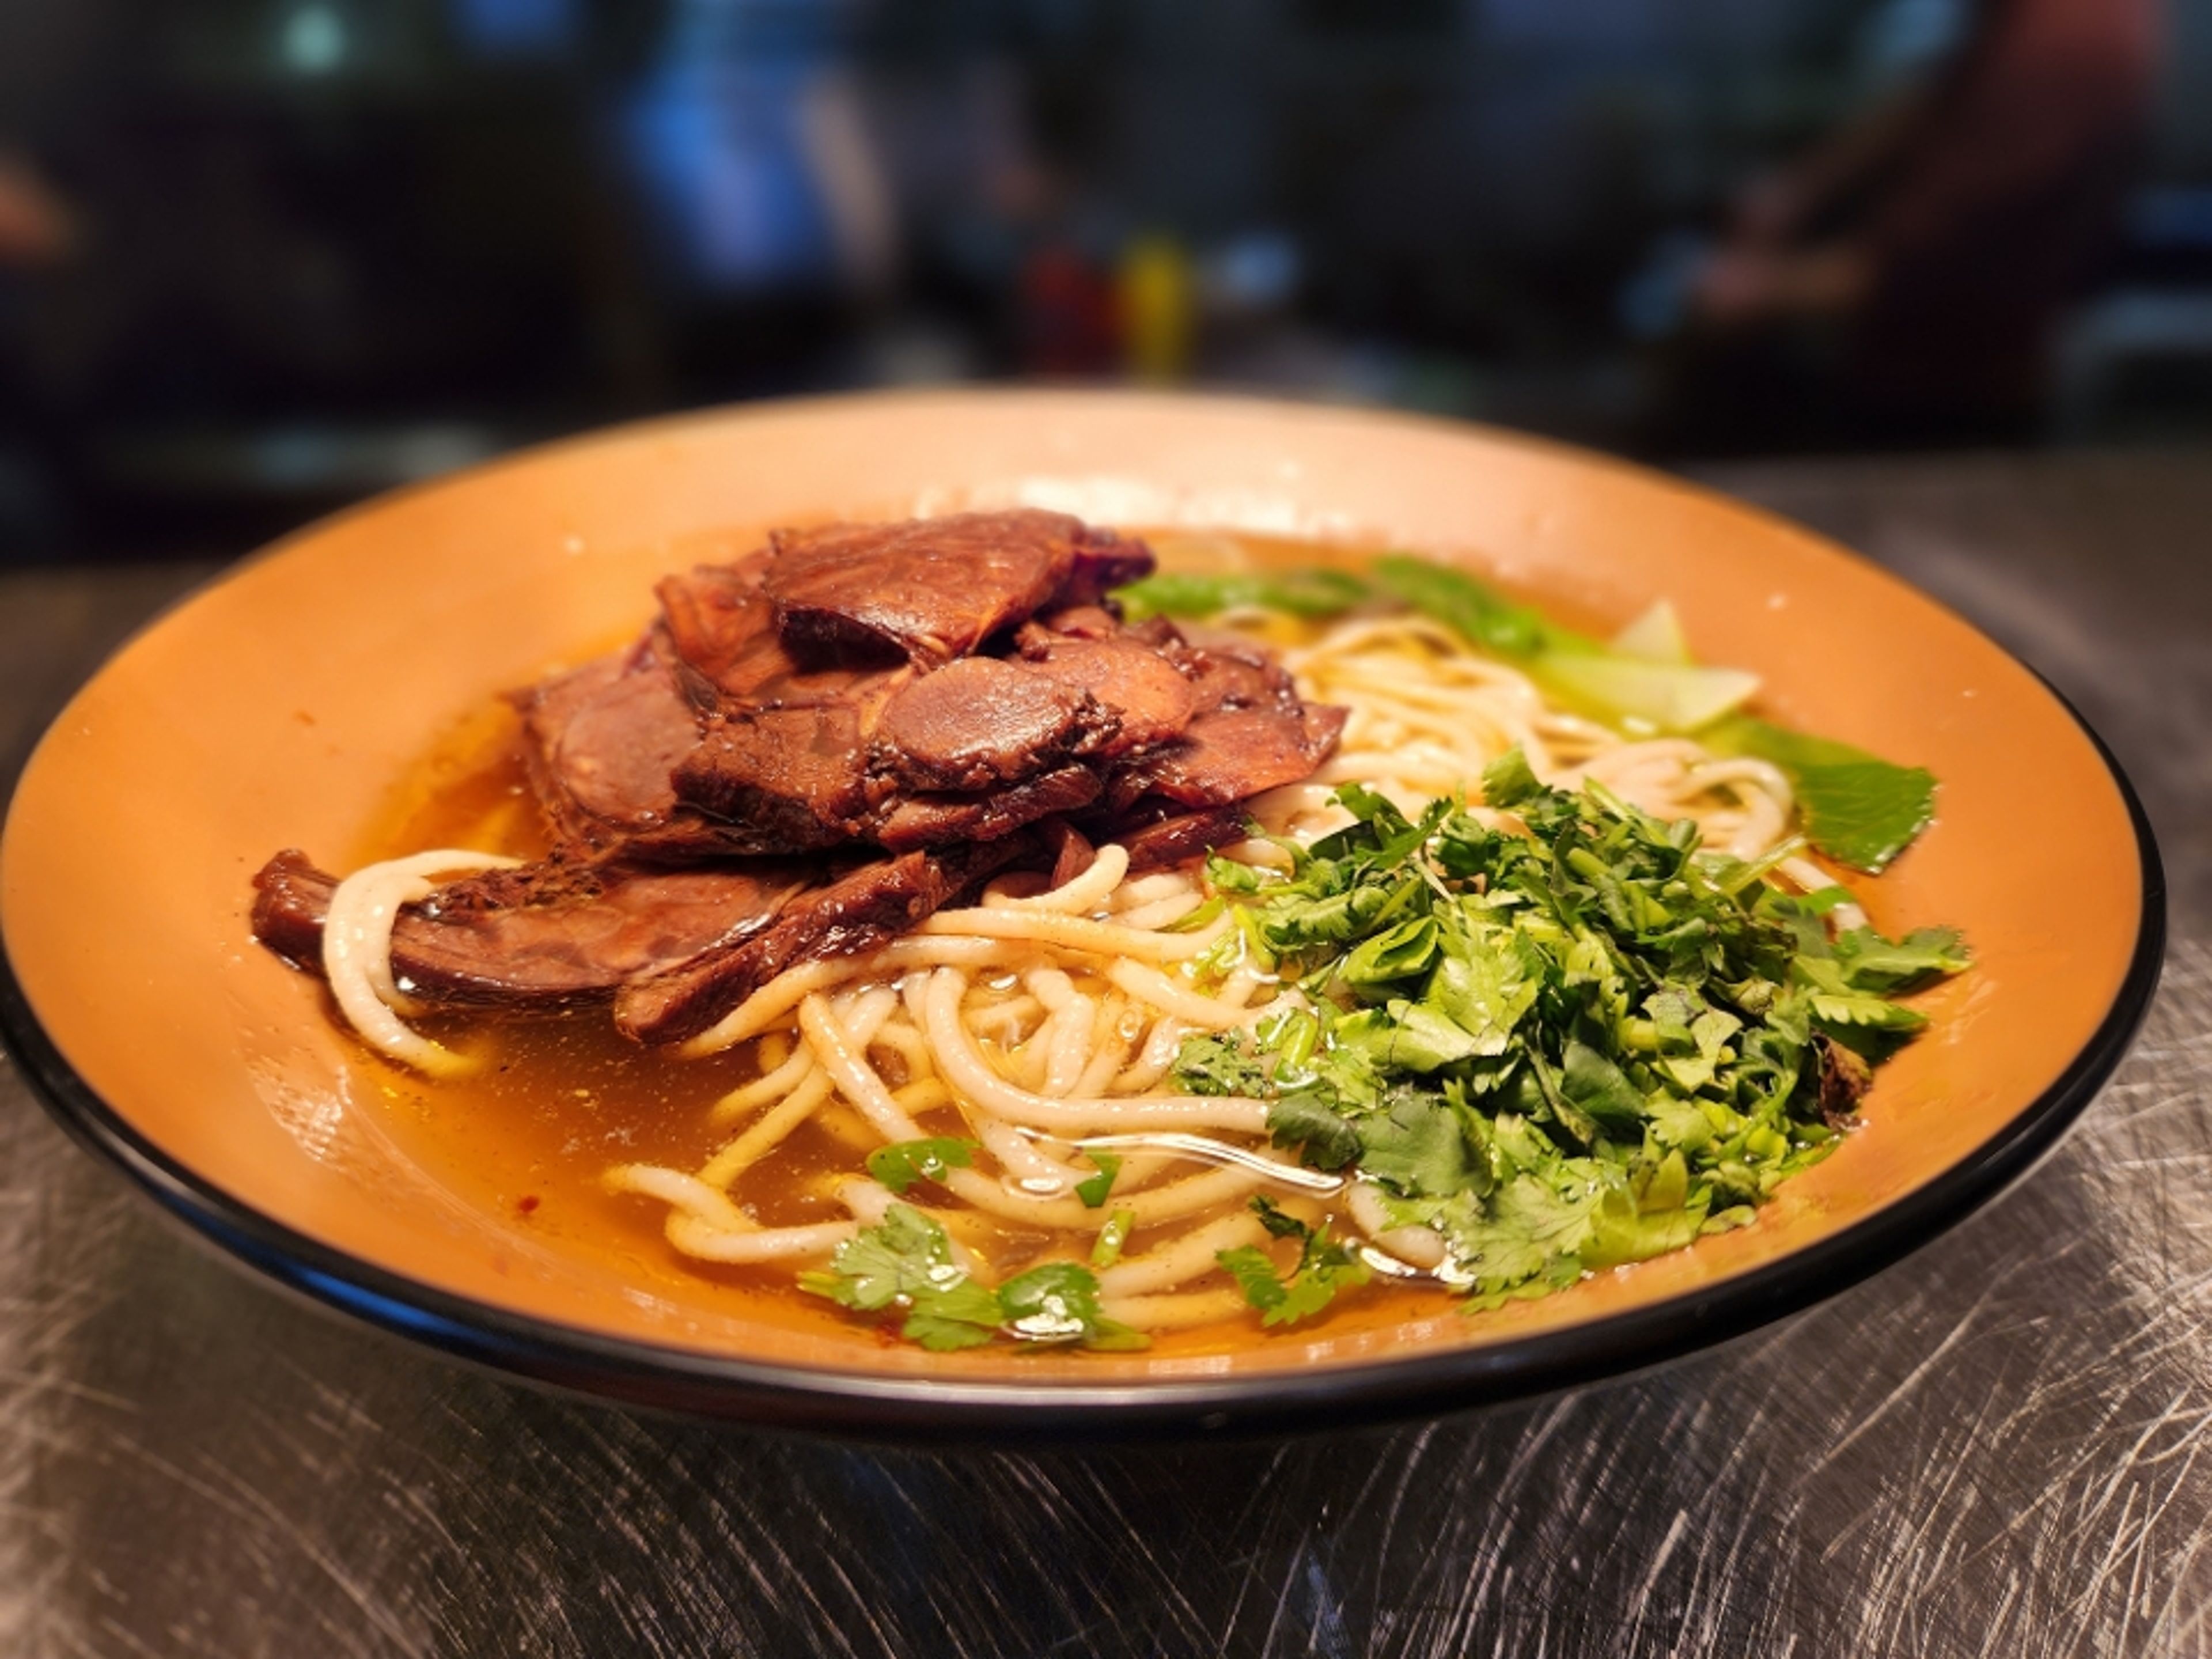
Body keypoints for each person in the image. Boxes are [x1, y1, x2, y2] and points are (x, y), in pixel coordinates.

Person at [1688, 0, 2161, 445]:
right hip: (1917, 359)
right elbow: (1935, 101)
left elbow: (1930, 261)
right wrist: (1796, 188)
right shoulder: (2034, 17)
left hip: (1952, 395)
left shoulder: (2069, 43)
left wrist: (1762, 290)